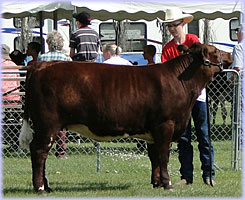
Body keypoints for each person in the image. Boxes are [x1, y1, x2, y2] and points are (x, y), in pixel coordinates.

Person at [161, 7, 215, 186]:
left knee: (203, 135)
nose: (171, 29)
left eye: (174, 25)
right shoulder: (168, 48)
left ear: (182, 24)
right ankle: (186, 176)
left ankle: (208, 174)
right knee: (183, 138)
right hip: (179, 101)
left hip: (197, 96)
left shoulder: (194, 41)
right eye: (169, 26)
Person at [38, 30, 72, 159]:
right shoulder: (66, 59)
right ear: (61, 45)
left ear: (48, 44)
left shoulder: (42, 58)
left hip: (45, 94)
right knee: (62, 124)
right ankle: (61, 150)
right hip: (63, 94)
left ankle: (43, 147)